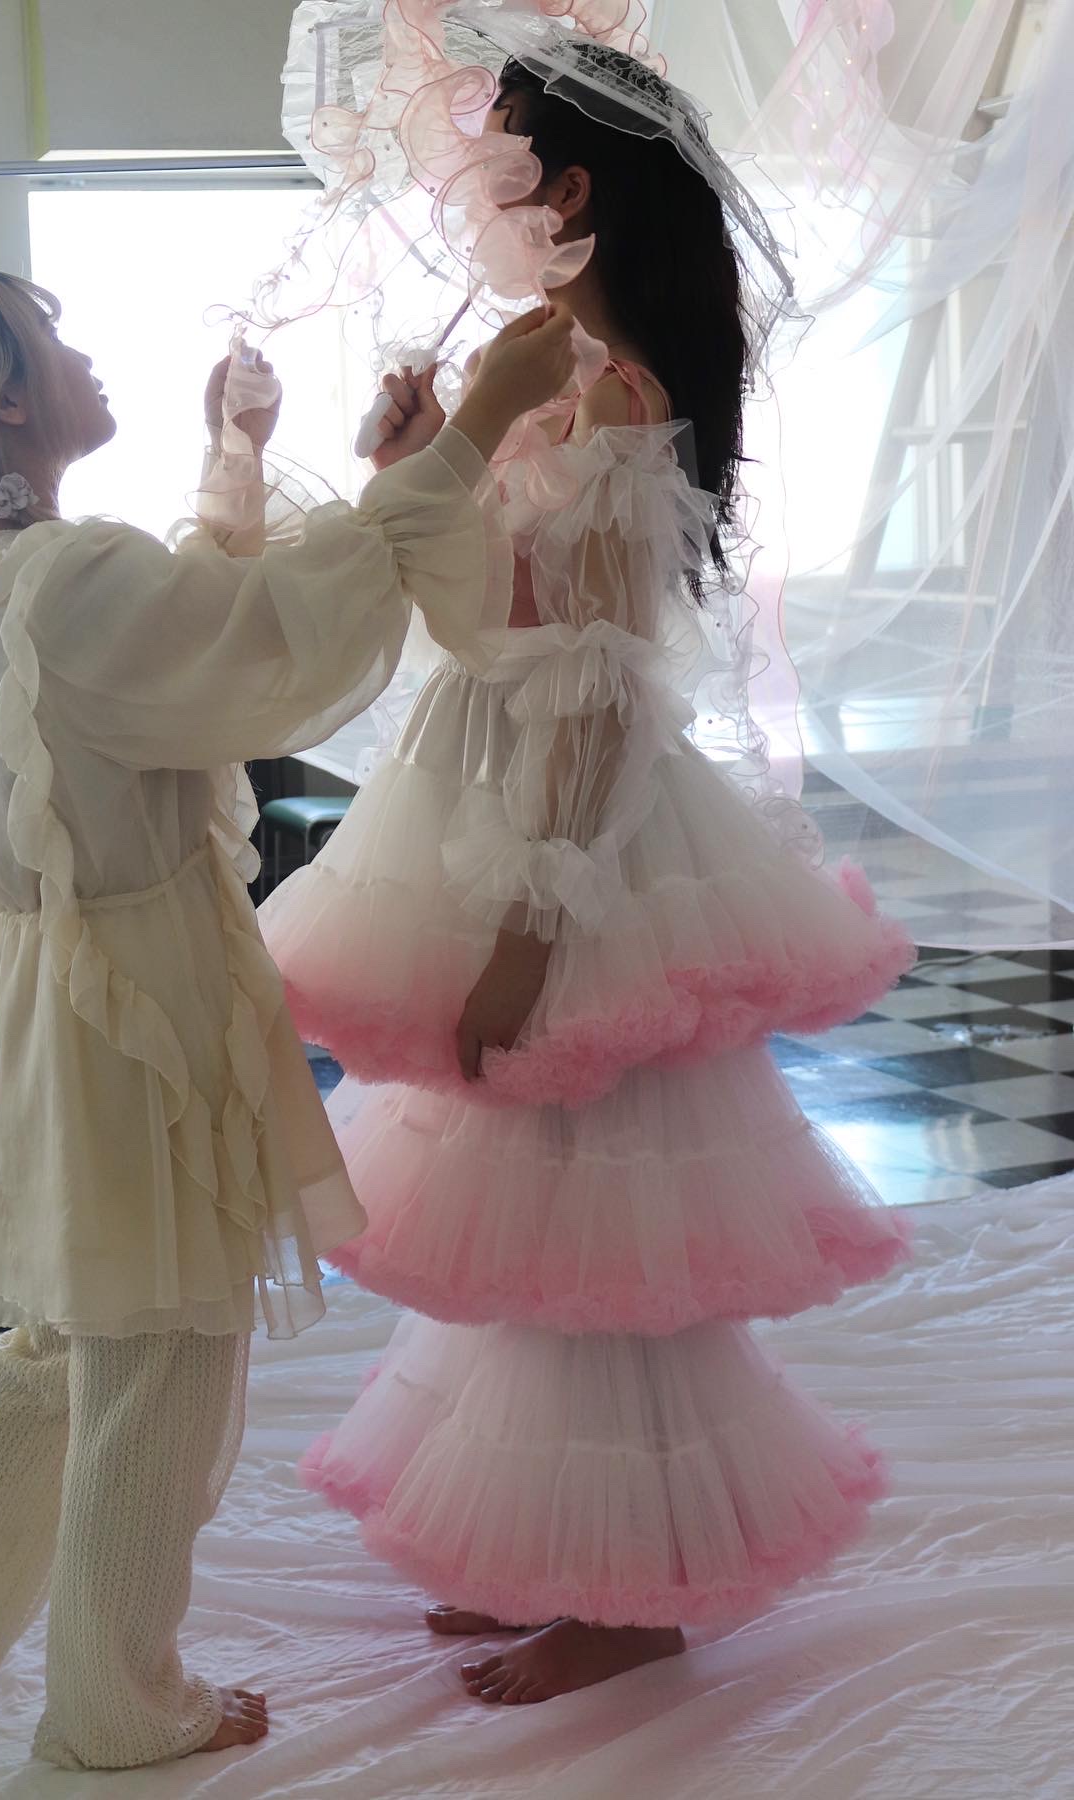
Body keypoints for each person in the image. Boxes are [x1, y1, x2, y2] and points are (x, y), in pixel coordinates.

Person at [0, 266, 576, 1766]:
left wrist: (238, 453)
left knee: (74, 1326)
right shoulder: (68, 582)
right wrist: (474, 427)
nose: (84, 353)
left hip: (46, 990)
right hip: (136, 1005)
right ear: (10, 400)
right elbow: (265, 636)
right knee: (162, 1348)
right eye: (55, 340)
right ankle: (116, 1698)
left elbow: (183, 637)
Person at [260, 39, 914, 1705]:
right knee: (530, 1237)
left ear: (568, 188)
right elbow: (485, 613)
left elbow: (605, 692)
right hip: (493, 797)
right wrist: (423, 455)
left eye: (494, 168)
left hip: (578, 837)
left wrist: (532, 934)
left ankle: (636, 1591)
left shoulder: (616, 399)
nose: (466, 200)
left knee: (598, 1238)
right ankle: (555, 1550)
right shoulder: (544, 374)